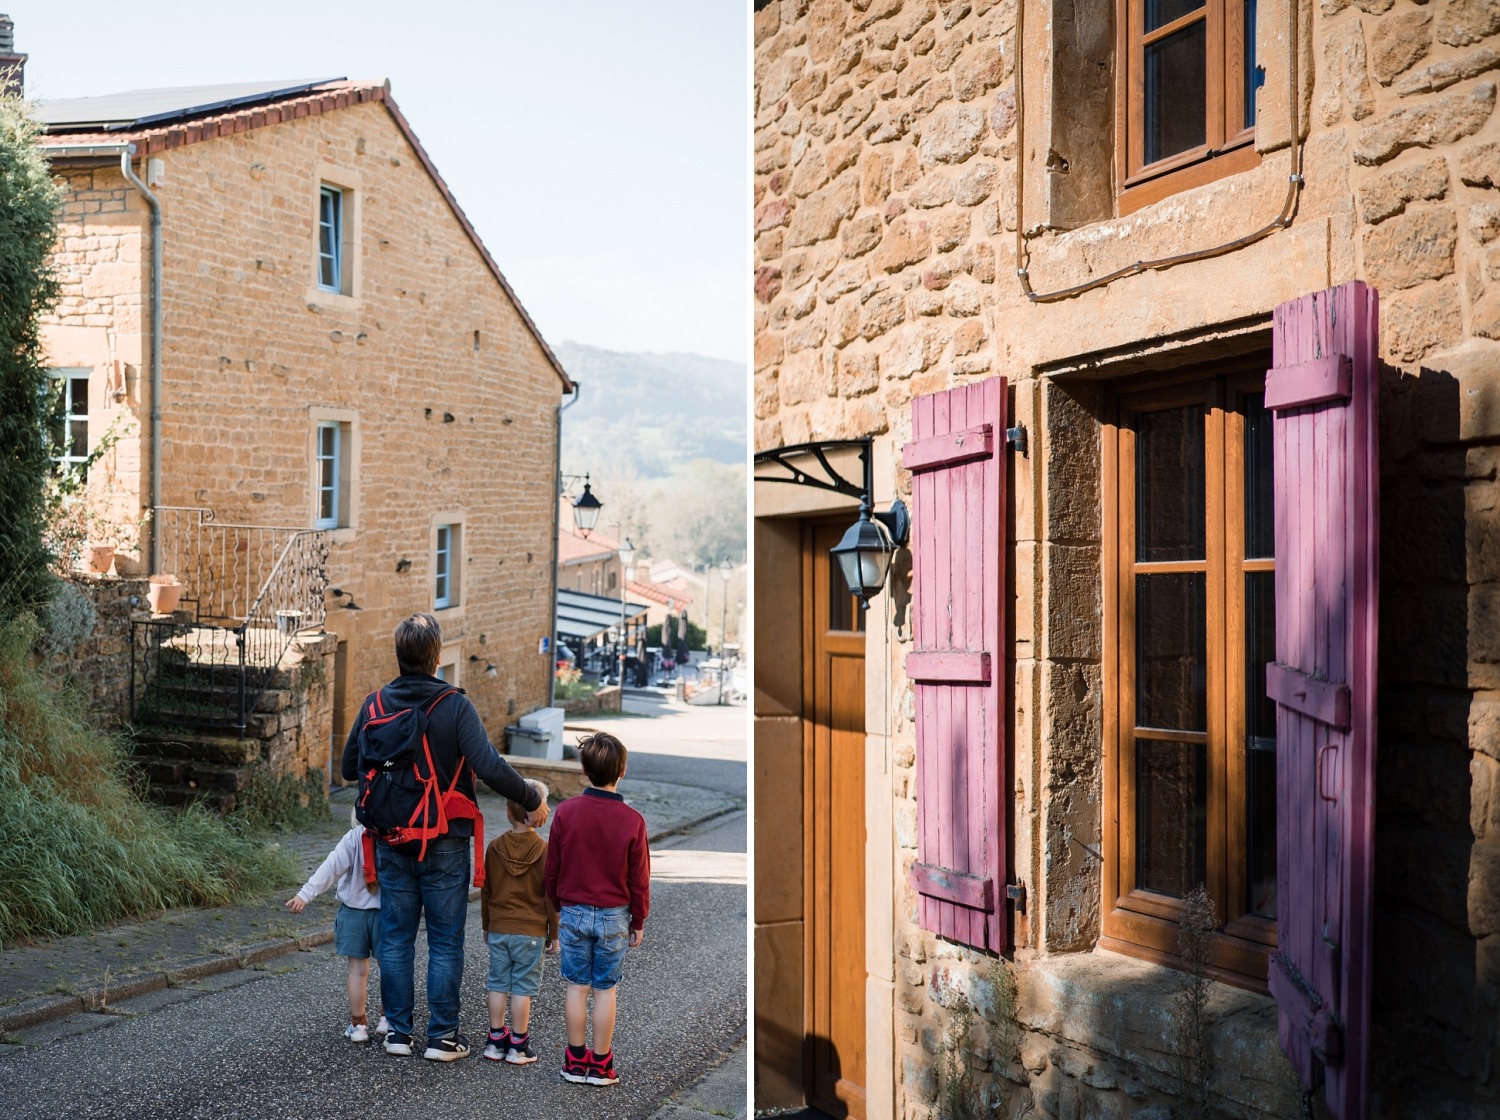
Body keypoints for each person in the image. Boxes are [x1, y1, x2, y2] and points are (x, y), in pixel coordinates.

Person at [342, 612, 547, 1063]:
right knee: (445, 941)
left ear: (399, 655)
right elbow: (490, 766)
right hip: (446, 839)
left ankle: (398, 1034)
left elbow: (347, 768)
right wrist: (530, 797)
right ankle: (442, 1038)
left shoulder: (374, 704)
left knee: (395, 939)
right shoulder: (454, 706)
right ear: (436, 657)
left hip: (391, 839)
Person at [544, 731, 650, 1087]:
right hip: (614, 914)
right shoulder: (633, 820)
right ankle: (602, 1065)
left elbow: (552, 867)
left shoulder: (566, 812)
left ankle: (575, 1062)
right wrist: (639, 920)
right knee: (605, 989)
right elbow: (639, 879)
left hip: (573, 910)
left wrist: (557, 905)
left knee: (577, 987)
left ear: (584, 770)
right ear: (622, 771)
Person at [284, 810, 389, 1043]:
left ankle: (358, 1024)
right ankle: (389, 1019)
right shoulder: (394, 837)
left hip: (353, 915)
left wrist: (305, 895)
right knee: (390, 968)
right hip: (387, 914)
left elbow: (329, 868)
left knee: (357, 971)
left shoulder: (352, 839)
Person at [480, 778, 559, 1064]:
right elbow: (550, 896)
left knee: (498, 983)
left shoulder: (494, 847)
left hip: (500, 926)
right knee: (522, 987)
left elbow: (486, 891)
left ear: (507, 812)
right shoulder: (546, 850)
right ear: (537, 814)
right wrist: (554, 932)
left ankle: (494, 1039)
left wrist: (487, 925)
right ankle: (518, 1044)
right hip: (531, 930)